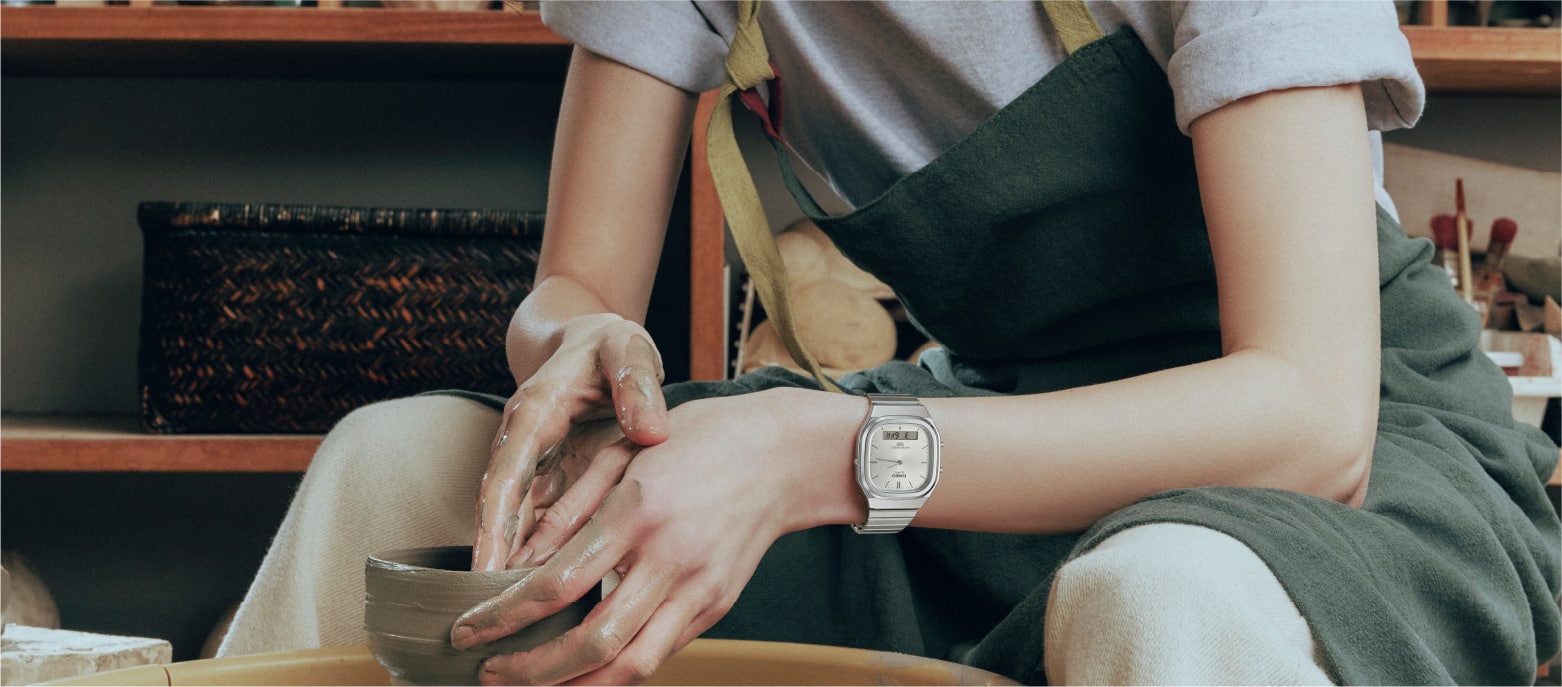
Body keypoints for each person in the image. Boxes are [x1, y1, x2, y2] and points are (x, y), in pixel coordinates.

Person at [218, 1, 1561, 684]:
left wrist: (823, 455)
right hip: (976, 434)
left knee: (1160, 592)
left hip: (1348, 458)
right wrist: (580, 337)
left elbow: (1307, 422)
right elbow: (569, 278)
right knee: (404, 466)